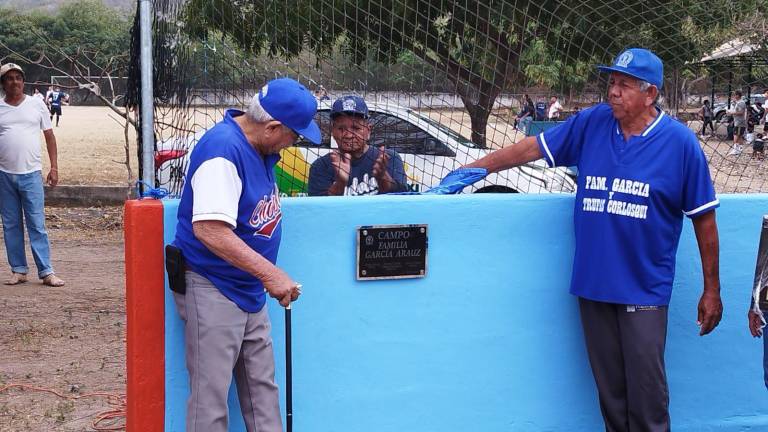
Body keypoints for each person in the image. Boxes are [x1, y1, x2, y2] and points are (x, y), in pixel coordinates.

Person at [463, 48, 722, 431]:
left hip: (643, 290)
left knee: (648, 401)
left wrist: (711, 289)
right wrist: (471, 169)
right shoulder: (593, 123)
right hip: (593, 285)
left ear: (650, 94)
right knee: (612, 398)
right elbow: (532, 148)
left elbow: (704, 219)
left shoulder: (679, 144)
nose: (613, 92)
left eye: (624, 85)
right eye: (611, 83)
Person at [171, 77, 319, 432]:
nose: (294, 142)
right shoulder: (223, 150)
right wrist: (271, 274)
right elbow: (209, 230)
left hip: (247, 286)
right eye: (294, 135)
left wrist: (263, 276)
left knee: (261, 391)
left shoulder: (259, 147)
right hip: (212, 284)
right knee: (210, 399)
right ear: (272, 127)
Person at [0, 63, 65, 287]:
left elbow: (49, 136)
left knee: (36, 223)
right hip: (4, 175)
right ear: (3, 84)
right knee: (11, 224)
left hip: (31, 174)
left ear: (24, 82)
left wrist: (54, 167)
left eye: (18, 77)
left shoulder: (36, 104)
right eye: (9, 78)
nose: (14, 82)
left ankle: (46, 271)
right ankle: (18, 270)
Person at [308, 95, 408, 196]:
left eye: (356, 128)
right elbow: (321, 209)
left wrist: (383, 178)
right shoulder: (320, 167)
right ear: (332, 131)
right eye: (341, 129)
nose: (348, 135)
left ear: (368, 130)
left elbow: (401, 203)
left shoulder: (390, 158)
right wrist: (340, 183)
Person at [727, 90, 747, 155]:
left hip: (739, 122)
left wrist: (731, 112)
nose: (733, 96)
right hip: (738, 121)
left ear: (738, 95)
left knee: (735, 135)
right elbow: (737, 110)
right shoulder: (737, 102)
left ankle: (735, 150)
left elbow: (741, 112)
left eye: (734, 95)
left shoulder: (741, 102)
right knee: (740, 136)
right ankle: (740, 149)